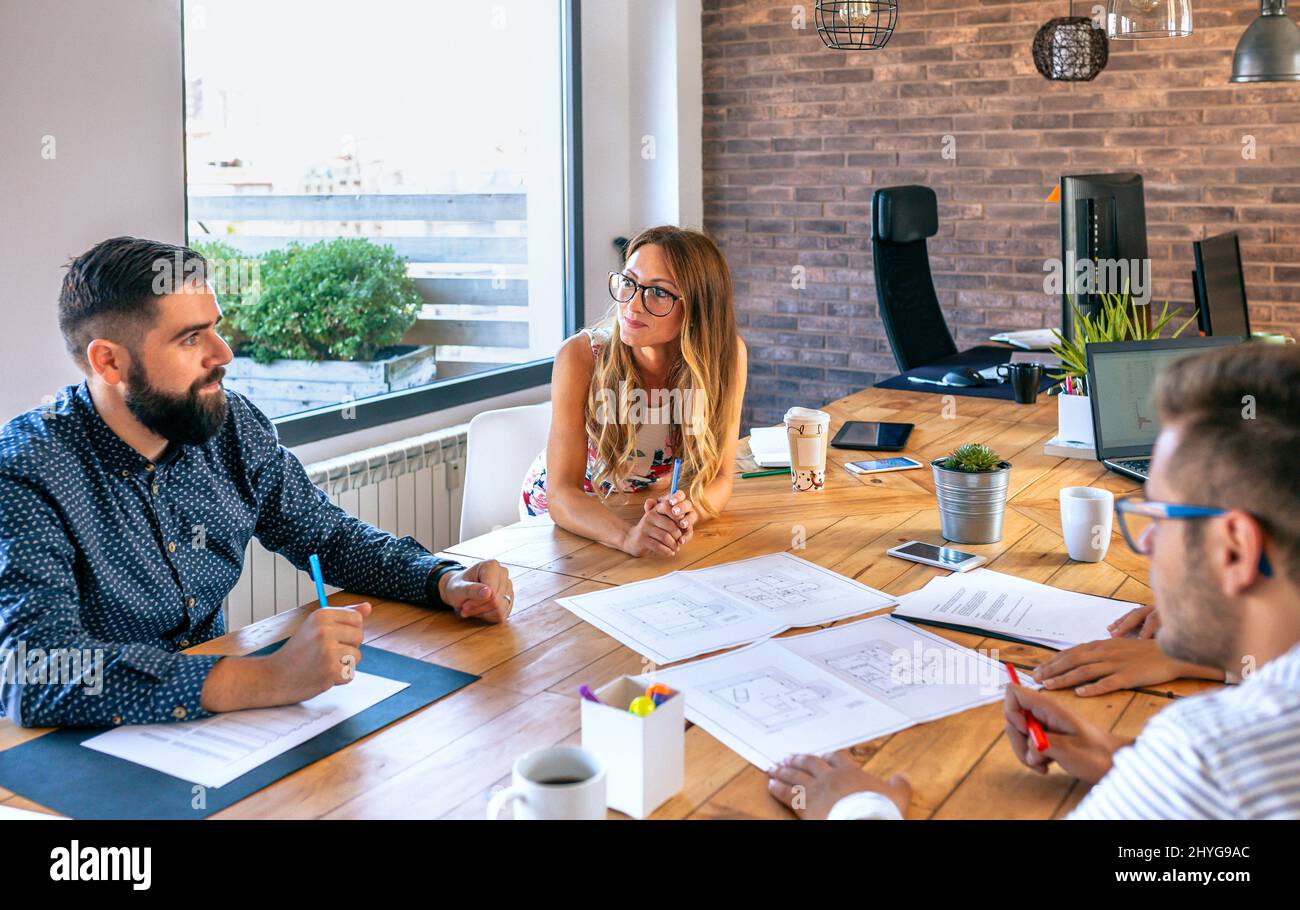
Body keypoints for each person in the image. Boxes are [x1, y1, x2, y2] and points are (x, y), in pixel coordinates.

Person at [768, 343, 1300, 819]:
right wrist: (1131, 766)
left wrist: (859, 808)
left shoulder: (1211, 761)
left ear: (1235, 548)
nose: (1148, 546)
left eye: (1159, 520)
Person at [0, 237, 514, 728]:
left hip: (221, 727)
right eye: (190, 338)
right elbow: (36, 669)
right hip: (71, 753)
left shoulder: (231, 426)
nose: (223, 353)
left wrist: (442, 579)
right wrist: (267, 677)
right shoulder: (26, 470)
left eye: (214, 328)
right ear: (108, 361)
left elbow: (327, 536)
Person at [522, 225, 747, 558]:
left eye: (658, 292)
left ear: (697, 307)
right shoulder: (581, 357)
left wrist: (685, 515)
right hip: (571, 519)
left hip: (640, 509)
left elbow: (721, 478)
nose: (633, 305)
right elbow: (562, 495)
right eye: (629, 283)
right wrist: (628, 537)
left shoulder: (726, 358)